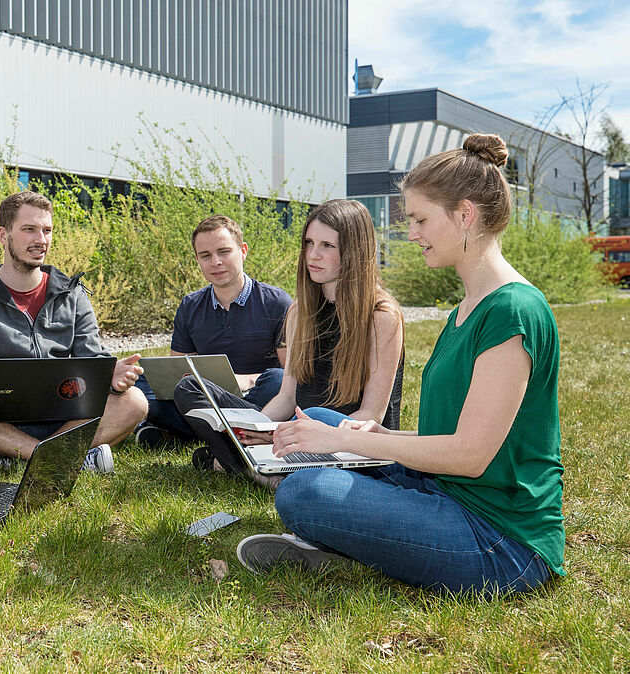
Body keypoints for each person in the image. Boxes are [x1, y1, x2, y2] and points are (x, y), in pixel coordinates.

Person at [236, 134, 565, 596]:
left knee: (303, 492)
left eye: (420, 219)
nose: (411, 234)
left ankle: (335, 540)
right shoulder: (468, 308)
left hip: (499, 540)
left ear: (465, 214)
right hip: (448, 494)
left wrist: (336, 441)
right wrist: (381, 436)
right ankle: (346, 540)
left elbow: (470, 456)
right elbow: (449, 433)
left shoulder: (512, 311)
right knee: (335, 421)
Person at [174, 200, 405, 486]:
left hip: (351, 447)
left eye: (327, 246)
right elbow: (288, 395)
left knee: (316, 425)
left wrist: (285, 433)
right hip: (297, 437)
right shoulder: (299, 312)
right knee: (189, 388)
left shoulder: (381, 316)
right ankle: (255, 465)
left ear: (354, 250)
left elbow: (371, 416)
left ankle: (244, 466)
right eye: (309, 243)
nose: (313, 255)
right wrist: (260, 428)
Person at [0, 190, 148, 472]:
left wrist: (111, 374)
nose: (41, 240)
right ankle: (60, 456)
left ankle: (7, 456)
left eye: (47, 230)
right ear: (3, 235)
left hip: (64, 415)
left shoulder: (72, 294)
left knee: (134, 401)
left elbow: (93, 358)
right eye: (29, 230)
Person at [133, 214, 292, 447]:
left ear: (243, 251)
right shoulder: (190, 306)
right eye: (205, 256)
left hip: (257, 398)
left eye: (223, 252)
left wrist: (245, 380)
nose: (215, 262)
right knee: (142, 384)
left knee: (277, 380)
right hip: (205, 396)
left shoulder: (277, 302)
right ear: (197, 259)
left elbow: (293, 375)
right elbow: (176, 372)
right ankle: (231, 433)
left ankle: (191, 432)